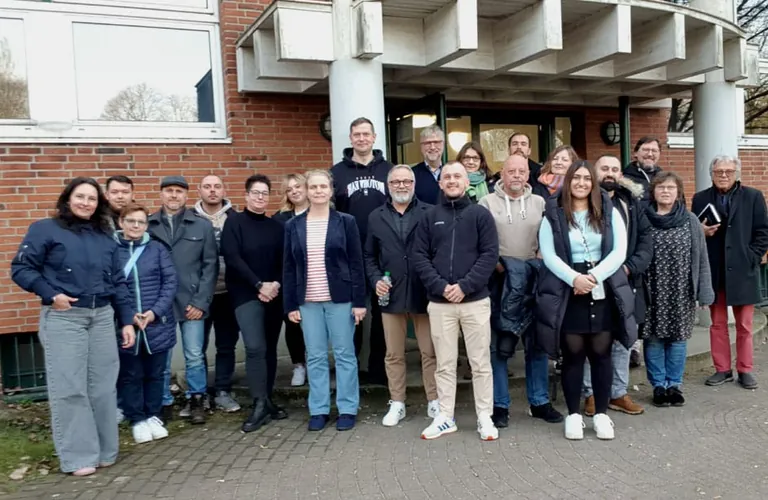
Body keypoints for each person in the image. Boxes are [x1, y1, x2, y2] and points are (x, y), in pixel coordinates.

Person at [11, 177, 136, 477]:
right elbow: (21, 268)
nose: (86, 203)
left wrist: (128, 320)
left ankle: (106, 451)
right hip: (65, 318)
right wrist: (51, 294)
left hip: (103, 316)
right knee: (70, 389)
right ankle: (79, 457)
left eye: (92, 199)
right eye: (80, 197)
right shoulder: (46, 229)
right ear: (68, 199)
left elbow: (118, 282)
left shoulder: (105, 235)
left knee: (104, 388)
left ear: (99, 204)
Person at [536, 161, 636, 441]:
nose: (581, 183)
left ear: (593, 182)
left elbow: (619, 251)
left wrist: (592, 277)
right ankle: (573, 415)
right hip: (568, 289)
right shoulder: (553, 214)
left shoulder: (609, 211)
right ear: (568, 182)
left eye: (586, 178)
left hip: (601, 284)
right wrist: (574, 279)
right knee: (573, 355)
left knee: (601, 354)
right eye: (576, 178)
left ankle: (601, 414)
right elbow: (549, 254)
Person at [412, 161, 500, 441]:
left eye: (457, 176)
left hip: (475, 301)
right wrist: (441, 287)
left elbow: (489, 255)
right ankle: (445, 417)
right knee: (445, 364)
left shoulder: (480, 215)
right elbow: (420, 257)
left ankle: (485, 416)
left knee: (480, 362)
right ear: (440, 183)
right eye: (447, 176)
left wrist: (464, 286)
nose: (451, 180)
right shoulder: (428, 217)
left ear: (467, 182)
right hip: (440, 304)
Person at [478, 155, 564, 428]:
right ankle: (500, 405)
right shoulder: (486, 203)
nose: (516, 175)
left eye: (521, 171)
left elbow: (548, 238)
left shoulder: (540, 203)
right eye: (511, 170)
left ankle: (539, 402)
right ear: (501, 173)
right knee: (499, 348)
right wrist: (499, 266)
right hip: (500, 281)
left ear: (528, 174)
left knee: (536, 345)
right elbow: (481, 242)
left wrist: (540, 256)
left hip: (532, 282)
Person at [283, 170, 367, 432]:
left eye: (323, 187)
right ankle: (318, 409)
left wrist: (359, 301)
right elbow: (288, 266)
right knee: (316, 356)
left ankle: (347, 407)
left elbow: (356, 263)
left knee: (344, 354)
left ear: (331, 191)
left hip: (340, 299)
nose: (318, 191)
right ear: (306, 191)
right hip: (307, 301)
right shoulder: (293, 225)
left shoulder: (346, 222)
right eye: (313, 187)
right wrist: (290, 304)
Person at [364, 165, 438, 426]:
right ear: (388, 185)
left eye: (407, 181)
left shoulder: (430, 212)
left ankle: (434, 400)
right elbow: (369, 256)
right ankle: (397, 402)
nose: (401, 186)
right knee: (393, 353)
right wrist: (375, 280)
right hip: (391, 294)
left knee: (430, 351)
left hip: (423, 292)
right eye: (396, 182)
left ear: (414, 184)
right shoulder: (376, 216)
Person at [582, 155, 651, 417]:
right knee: (592, 339)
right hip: (593, 283)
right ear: (594, 172)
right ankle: (591, 393)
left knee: (623, 339)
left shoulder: (631, 203)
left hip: (625, 282)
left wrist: (628, 267)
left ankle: (618, 392)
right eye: (604, 169)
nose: (609, 174)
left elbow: (646, 240)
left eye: (614, 169)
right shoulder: (582, 203)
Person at [692, 155, 768, 389]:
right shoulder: (700, 198)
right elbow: (694, 230)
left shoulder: (753, 196)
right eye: (718, 171)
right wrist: (702, 232)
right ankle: (722, 369)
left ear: (736, 173)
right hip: (715, 270)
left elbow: (763, 231)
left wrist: (752, 256)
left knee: (744, 325)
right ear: (711, 174)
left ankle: (745, 370)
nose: (723, 175)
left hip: (743, 270)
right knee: (717, 324)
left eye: (728, 171)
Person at [147, 176, 218, 425]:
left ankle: (196, 398)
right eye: (169, 191)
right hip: (160, 304)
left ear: (187, 196)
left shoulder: (201, 226)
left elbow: (210, 266)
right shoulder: (148, 226)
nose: (174, 195)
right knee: (162, 356)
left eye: (179, 191)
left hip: (192, 302)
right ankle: (163, 402)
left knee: (195, 354)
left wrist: (201, 302)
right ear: (161, 194)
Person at [221, 174, 287, 433]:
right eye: (255, 192)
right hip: (246, 294)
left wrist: (275, 285)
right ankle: (258, 403)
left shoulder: (277, 227)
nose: (260, 197)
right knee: (255, 347)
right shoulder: (234, 223)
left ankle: (267, 399)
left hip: (274, 294)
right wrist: (259, 285)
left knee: (269, 349)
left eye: (264, 193)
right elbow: (232, 257)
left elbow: (285, 262)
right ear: (246, 195)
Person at [644, 173, 714, 406]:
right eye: (661, 187)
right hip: (651, 290)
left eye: (671, 187)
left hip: (681, 290)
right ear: (653, 191)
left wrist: (704, 292)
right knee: (653, 339)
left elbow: (701, 257)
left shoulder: (690, 220)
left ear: (679, 192)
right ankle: (658, 386)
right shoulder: (643, 218)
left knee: (678, 339)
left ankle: (674, 385)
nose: (666, 191)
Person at [330, 117, 391, 385]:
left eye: (366, 134)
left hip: (382, 253)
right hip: (349, 253)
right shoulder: (337, 173)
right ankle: (349, 370)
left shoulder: (389, 170)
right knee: (350, 313)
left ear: (374, 137)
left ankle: (378, 369)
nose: (362, 139)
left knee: (382, 313)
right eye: (357, 134)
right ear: (351, 138)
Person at [114, 204, 178, 444]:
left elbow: (170, 282)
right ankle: (137, 418)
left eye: (141, 222)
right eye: (131, 221)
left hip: (156, 323)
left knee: (155, 372)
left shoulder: (157, 249)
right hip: (127, 325)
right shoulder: (113, 250)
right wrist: (128, 315)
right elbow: (113, 286)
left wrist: (154, 312)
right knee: (131, 374)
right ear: (121, 222)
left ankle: (153, 414)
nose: (136, 226)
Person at [194, 174, 241, 413]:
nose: (212, 191)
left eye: (217, 187)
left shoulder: (235, 218)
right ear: (199, 190)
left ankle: (223, 390)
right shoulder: (189, 220)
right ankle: (200, 394)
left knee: (226, 345)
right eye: (207, 187)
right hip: (199, 296)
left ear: (224, 190)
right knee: (196, 347)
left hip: (228, 293)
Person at [273, 173, 309, 387]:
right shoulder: (280, 218)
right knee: (293, 324)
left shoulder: (323, 213)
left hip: (317, 278)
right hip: (291, 279)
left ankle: (315, 364)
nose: (294, 191)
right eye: (289, 189)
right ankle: (299, 365)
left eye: (298, 186)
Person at [412, 125, 445, 204]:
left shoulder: (451, 173)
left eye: (436, 142)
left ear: (443, 144)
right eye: (427, 143)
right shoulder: (412, 174)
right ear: (421, 146)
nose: (432, 147)